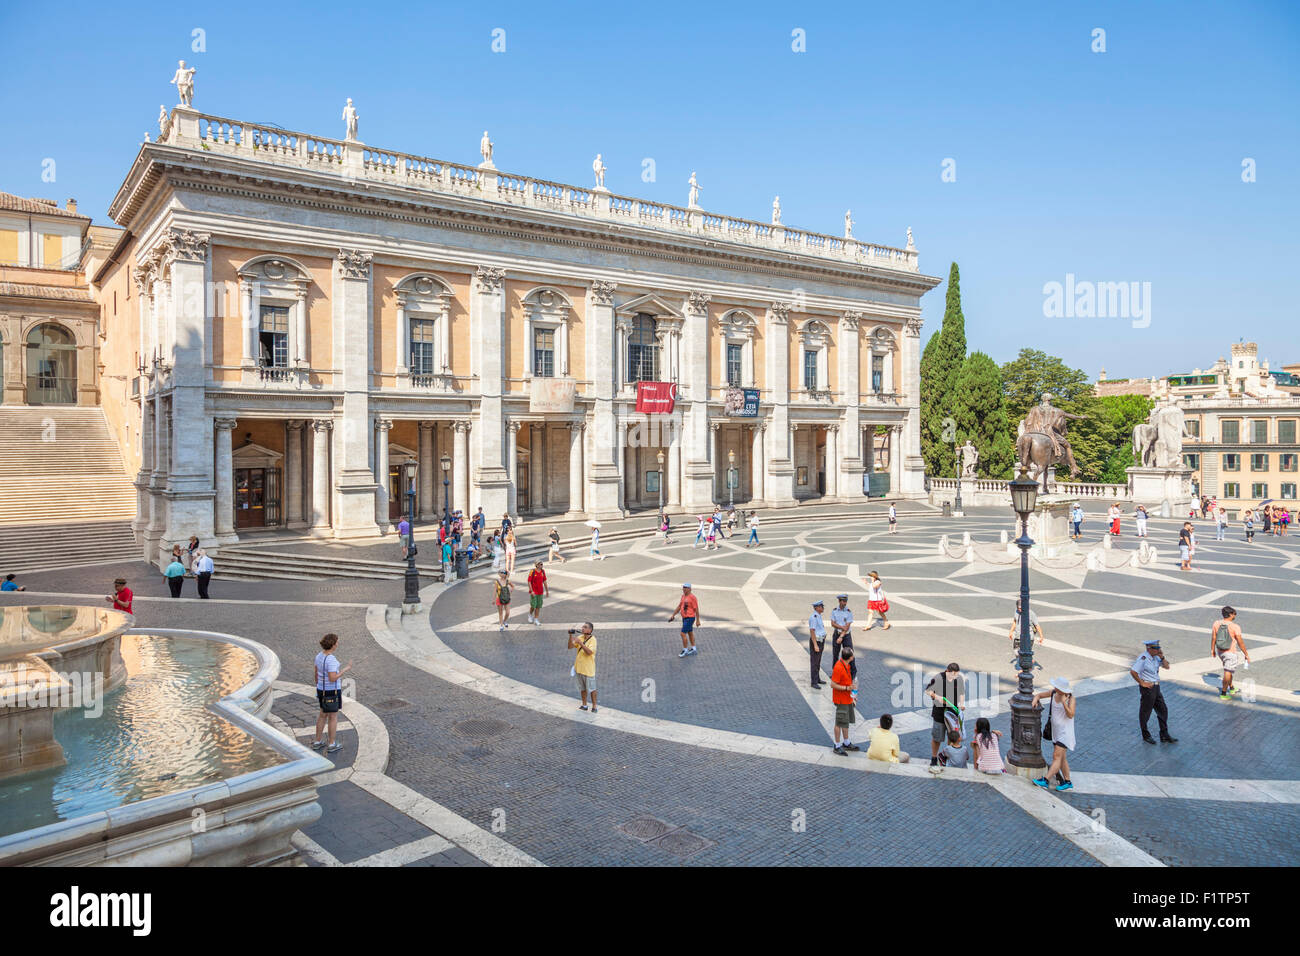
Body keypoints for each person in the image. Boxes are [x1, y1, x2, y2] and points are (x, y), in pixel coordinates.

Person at [1031, 677, 1076, 791]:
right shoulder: (1053, 693)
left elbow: (1071, 714)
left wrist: (1064, 703)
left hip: (1065, 733)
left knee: (1056, 756)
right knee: (1062, 758)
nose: (1055, 688)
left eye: (1057, 686)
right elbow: (1039, 695)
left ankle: (1045, 780)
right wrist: (1035, 700)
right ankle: (1067, 782)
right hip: (1056, 732)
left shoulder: (1070, 698)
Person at [312, 633, 353, 753]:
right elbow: (332, 678)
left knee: (322, 715)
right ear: (333, 645)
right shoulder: (331, 660)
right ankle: (331, 744)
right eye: (337, 642)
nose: (338, 644)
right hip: (332, 691)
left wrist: (318, 685)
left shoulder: (318, 656)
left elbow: (316, 672)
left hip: (321, 690)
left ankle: (317, 741)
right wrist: (345, 669)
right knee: (333, 717)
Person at [1131, 639, 1177, 744]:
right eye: (1156, 648)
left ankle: (1164, 734)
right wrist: (1142, 683)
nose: (1158, 649)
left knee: (1163, 710)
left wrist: (1162, 657)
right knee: (1145, 712)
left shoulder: (1156, 657)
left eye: (1158, 647)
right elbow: (1133, 671)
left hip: (1156, 688)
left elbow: (1167, 667)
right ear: (1149, 649)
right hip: (1148, 688)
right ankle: (1146, 735)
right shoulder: (1143, 658)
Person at [925, 662, 964, 771]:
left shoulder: (959, 679)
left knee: (952, 737)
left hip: (953, 714)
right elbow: (928, 691)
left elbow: (961, 692)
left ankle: (948, 758)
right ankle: (934, 758)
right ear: (947, 671)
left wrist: (962, 703)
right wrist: (937, 697)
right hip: (939, 713)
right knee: (937, 737)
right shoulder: (938, 678)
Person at [1211, 605, 1250, 700]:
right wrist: (1246, 654)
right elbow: (1240, 642)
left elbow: (1214, 637)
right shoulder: (1235, 626)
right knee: (1228, 671)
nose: (1235, 616)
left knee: (1229, 669)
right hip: (1230, 652)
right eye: (1234, 614)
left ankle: (1231, 687)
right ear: (1230, 614)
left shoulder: (1216, 623)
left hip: (1220, 651)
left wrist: (1212, 649)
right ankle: (1224, 693)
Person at [830, 649, 858, 755]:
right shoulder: (839, 667)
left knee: (845, 721)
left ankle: (846, 742)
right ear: (850, 657)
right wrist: (847, 688)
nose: (853, 656)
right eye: (852, 654)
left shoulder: (846, 664)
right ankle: (837, 745)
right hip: (841, 700)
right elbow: (832, 684)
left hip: (847, 698)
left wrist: (853, 696)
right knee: (839, 722)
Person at [569, 622, 597, 712]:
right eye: (583, 627)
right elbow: (570, 647)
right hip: (579, 668)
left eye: (585, 627)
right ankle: (584, 705)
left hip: (588, 669)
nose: (582, 628)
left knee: (592, 689)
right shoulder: (580, 637)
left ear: (590, 630)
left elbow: (589, 652)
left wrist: (580, 643)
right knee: (582, 688)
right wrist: (570, 636)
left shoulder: (593, 640)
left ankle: (594, 706)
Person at [668, 582, 701, 657]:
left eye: (685, 587)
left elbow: (696, 609)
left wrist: (698, 620)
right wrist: (673, 615)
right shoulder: (683, 596)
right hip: (685, 618)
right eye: (683, 587)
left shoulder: (693, 597)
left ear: (690, 589)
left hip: (690, 618)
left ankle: (685, 650)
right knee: (690, 632)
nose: (684, 589)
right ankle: (693, 648)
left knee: (682, 633)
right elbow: (679, 606)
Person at [830, 593, 854, 662]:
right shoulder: (834, 611)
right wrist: (841, 627)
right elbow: (832, 624)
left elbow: (847, 627)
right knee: (835, 654)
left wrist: (841, 637)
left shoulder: (848, 612)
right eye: (843, 601)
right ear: (839, 601)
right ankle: (835, 670)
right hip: (836, 634)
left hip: (846, 635)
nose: (844, 603)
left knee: (850, 653)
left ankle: (852, 672)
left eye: (845, 601)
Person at [808, 600, 827, 689]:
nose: (822, 608)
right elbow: (812, 631)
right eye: (821, 606)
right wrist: (815, 645)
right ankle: (814, 682)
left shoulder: (818, 616)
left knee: (818, 661)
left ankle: (817, 678)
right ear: (816, 608)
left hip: (821, 641)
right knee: (814, 662)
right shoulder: (814, 617)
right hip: (816, 641)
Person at [526, 561, 548, 625]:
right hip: (534, 592)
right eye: (540, 564)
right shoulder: (532, 572)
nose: (542, 565)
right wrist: (531, 590)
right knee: (533, 606)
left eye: (542, 564)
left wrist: (547, 591)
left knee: (538, 606)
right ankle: (530, 615)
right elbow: (529, 581)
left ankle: (536, 619)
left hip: (540, 591)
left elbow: (544, 581)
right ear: (536, 565)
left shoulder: (543, 571)